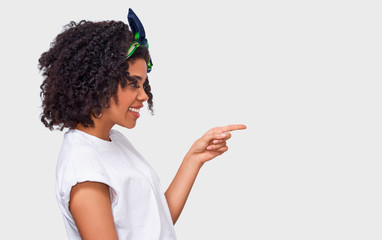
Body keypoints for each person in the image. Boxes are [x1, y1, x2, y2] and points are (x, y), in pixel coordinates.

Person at [38, 8, 246, 240]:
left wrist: (194, 159)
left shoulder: (112, 140)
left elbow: (154, 222)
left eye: (143, 84)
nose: (144, 95)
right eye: (133, 84)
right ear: (97, 82)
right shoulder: (85, 172)